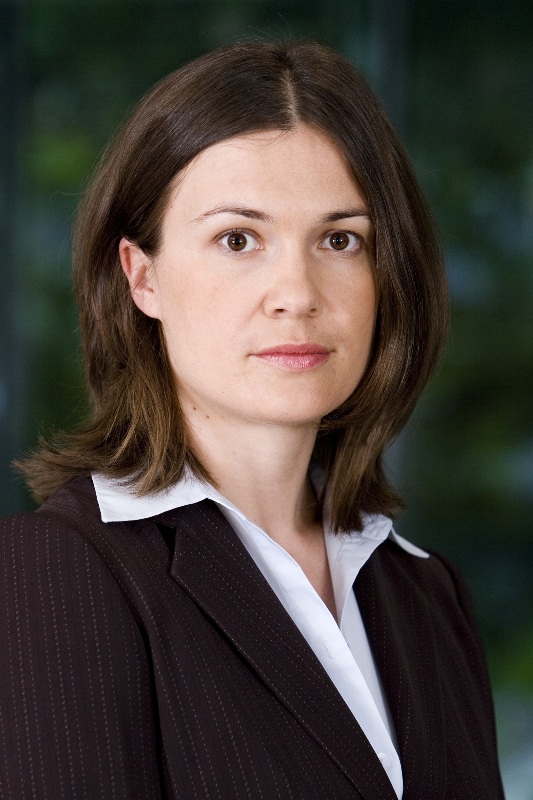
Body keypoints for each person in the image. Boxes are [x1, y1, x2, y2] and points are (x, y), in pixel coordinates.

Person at [0, 40, 504, 799]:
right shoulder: (55, 572)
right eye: (237, 239)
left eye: (340, 240)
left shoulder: (427, 594)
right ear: (143, 277)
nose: (296, 293)